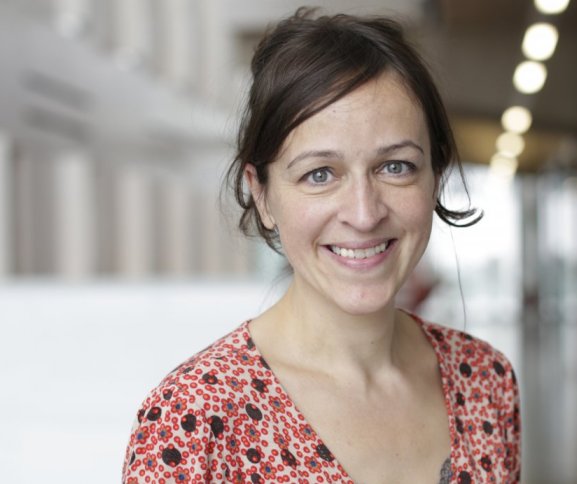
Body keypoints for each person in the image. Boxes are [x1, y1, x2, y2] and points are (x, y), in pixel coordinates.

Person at [122, 8, 520, 484]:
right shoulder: (191, 422)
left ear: (435, 176)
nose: (364, 213)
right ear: (262, 195)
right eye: (320, 174)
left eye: (395, 166)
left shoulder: (485, 381)